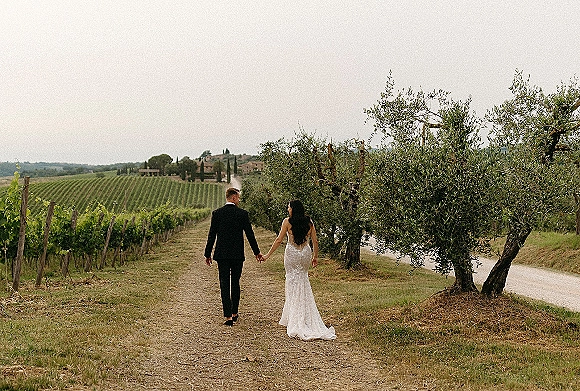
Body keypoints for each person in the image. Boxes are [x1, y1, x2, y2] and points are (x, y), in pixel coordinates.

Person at [263, 200, 336, 340]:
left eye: (289, 207)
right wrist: (315, 257)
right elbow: (315, 241)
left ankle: (294, 317)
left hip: (292, 254)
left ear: (293, 209)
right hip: (305, 254)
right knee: (303, 280)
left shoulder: (287, 222)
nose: (287, 209)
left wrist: (267, 255)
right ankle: (303, 316)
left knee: (291, 281)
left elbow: (279, 240)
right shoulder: (309, 222)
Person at [204, 187, 263, 326]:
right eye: (238, 197)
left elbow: (212, 235)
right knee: (235, 282)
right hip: (237, 255)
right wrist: (257, 252)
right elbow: (250, 234)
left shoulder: (217, 213)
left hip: (222, 255)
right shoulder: (242, 214)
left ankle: (228, 316)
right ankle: (235, 312)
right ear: (234, 197)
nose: (239, 200)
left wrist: (208, 253)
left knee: (224, 284)